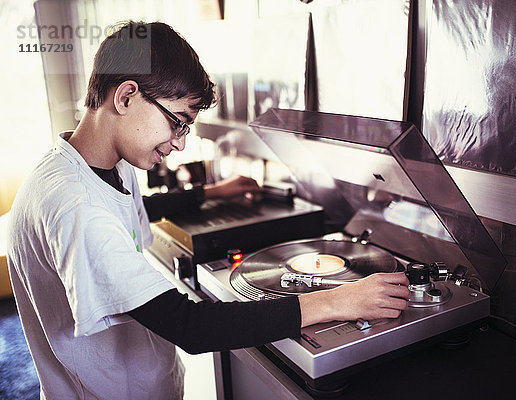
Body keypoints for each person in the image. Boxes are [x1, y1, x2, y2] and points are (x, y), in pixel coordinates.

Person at [7, 21, 410, 399]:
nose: (180, 143)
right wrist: (340, 301)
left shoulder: (95, 163)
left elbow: (130, 208)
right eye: (177, 121)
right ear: (127, 96)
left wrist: (211, 192)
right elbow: (191, 326)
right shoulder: (74, 204)